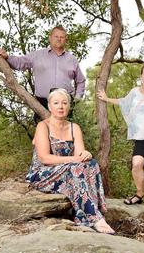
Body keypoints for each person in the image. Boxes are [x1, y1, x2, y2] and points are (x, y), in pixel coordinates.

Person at [26, 88, 115, 234]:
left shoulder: (74, 128)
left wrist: (85, 154)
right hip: (43, 173)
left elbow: (80, 155)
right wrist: (74, 159)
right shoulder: (43, 126)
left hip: (67, 169)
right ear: (49, 106)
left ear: (69, 106)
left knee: (91, 164)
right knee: (74, 168)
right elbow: (44, 158)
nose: (60, 106)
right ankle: (93, 218)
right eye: (56, 103)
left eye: (64, 103)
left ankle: (91, 212)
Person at [97, 64, 144, 220]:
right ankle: (140, 193)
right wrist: (106, 98)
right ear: (141, 77)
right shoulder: (134, 92)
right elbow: (124, 102)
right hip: (141, 138)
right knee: (136, 164)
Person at [0, 26, 85, 120]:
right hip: (42, 104)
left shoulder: (72, 60)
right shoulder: (38, 55)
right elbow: (19, 62)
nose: (59, 39)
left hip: (65, 105)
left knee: (65, 133)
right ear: (50, 38)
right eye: (56, 36)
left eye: (62, 37)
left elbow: (81, 81)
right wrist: (7, 57)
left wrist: (77, 98)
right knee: (43, 133)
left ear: (65, 40)